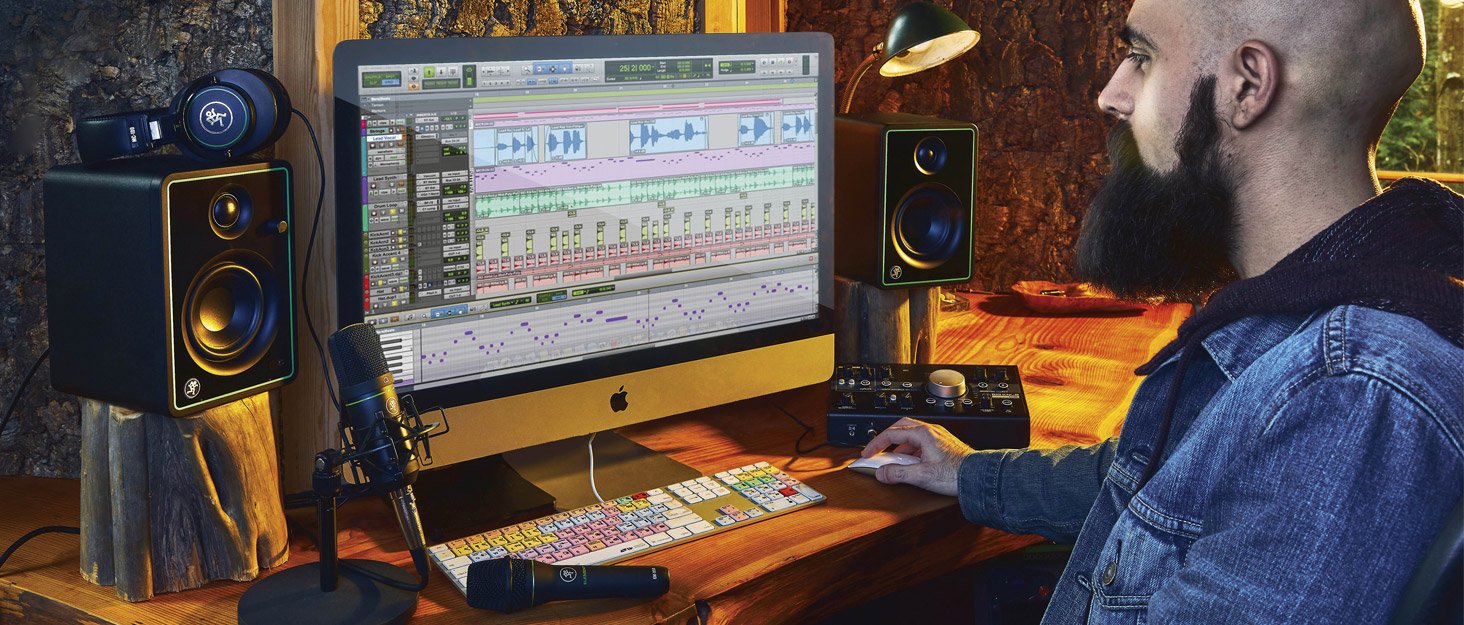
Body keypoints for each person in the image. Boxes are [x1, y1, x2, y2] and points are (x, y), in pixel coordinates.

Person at [862, 0, 1463, 622]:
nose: (1110, 96)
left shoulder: (1345, 396)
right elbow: (1158, 475)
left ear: (1248, 85)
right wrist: (967, 473)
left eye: (1142, 58)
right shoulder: (1304, 310)